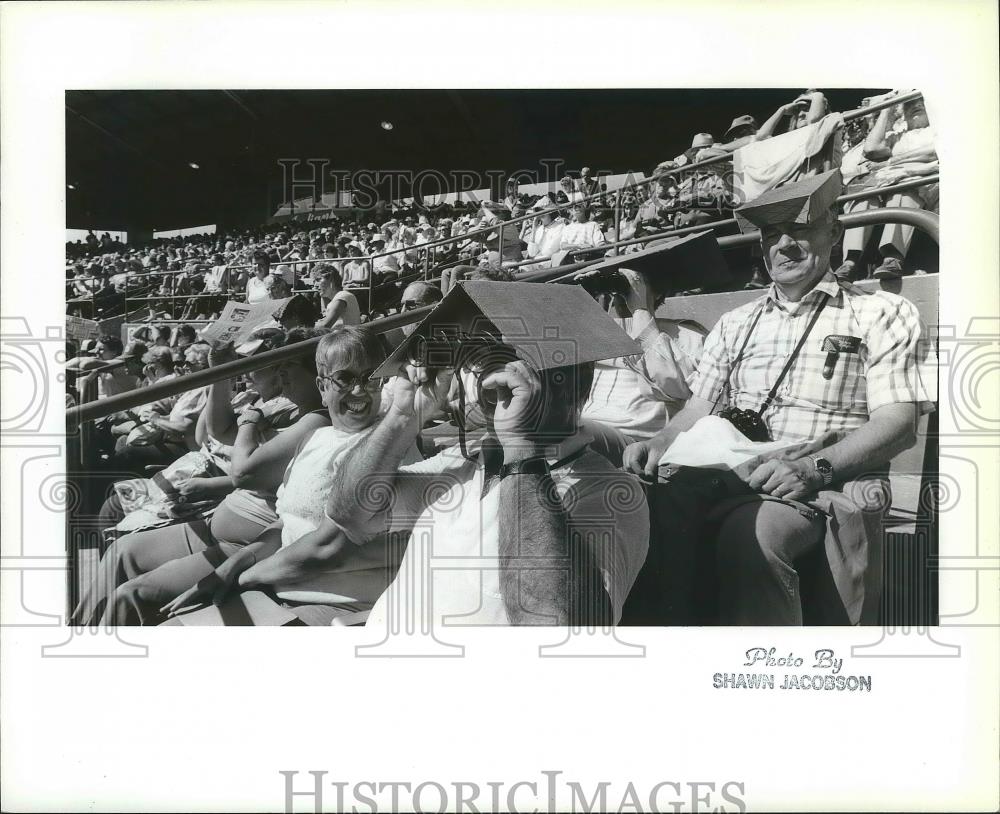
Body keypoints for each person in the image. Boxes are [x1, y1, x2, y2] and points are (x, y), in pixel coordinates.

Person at [623, 170, 936, 625]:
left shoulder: (882, 311)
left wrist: (813, 468)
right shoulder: (736, 321)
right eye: (772, 233)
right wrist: (658, 442)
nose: (784, 244)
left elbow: (898, 425)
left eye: (800, 228)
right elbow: (696, 409)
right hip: (737, 468)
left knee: (748, 534)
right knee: (642, 504)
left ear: (834, 232)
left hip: (827, 478)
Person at [324, 282, 650, 628]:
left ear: (559, 377)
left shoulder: (608, 493)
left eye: (502, 355)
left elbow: (561, 630)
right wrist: (404, 415)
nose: (480, 373)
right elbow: (350, 514)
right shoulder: (466, 463)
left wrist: (521, 446)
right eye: (475, 356)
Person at [159, 327, 414, 626]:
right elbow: (286, 523)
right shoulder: (314, 439)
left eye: (370, 378)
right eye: (345, 378)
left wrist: (239, 575)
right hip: (283, 589)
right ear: (322, 385)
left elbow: (328, 550)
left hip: (340, 607)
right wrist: (233, 566)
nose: (359, 390)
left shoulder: (389, 449)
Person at [74, 328, 329, 626]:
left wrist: (248, 420)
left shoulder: (315, 419)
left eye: (288, 366)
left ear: (317, 375)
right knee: (121, 551)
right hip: (216, 526)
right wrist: (220, 372)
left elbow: (244, 473)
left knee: (131, 594)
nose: (282, 374)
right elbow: (218, 431)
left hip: (245, 543)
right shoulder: (280, 406)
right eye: (279, 366)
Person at [858, 95, 938, 279]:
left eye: (922, 101)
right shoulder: (896, 137)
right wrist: (887, 109)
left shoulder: (936, 129)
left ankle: (893, 256)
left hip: (925, 183)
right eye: (910, 102)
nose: (917, 105)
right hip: (893, 185)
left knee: (902, 188)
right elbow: (871, 149)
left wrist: (890, 162)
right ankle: (851, 261)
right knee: (865, 194)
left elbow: (933, 152)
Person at [755, 90, 828, 141]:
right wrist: (782, 109)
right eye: (797, 111)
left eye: (807, 109)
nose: (800, 114)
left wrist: (818, 95)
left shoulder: (830, 127)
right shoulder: (789, 139)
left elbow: (814, 121)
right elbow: (761, 137)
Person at [313, 264, 361, 329]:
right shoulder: (338, 298)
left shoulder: (342, 296)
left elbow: (325, 326)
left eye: (318, 280)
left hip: (347, 338)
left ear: (331, 279)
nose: (315, 285)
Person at [524, 196, 565, 268]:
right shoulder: (539, 229)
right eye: (538, 215)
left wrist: (537, 255)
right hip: (538, 262)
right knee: (524, 264)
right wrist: (534, 228)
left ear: (551, 214)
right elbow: (531, 253)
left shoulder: (560, 227)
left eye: (542, 214)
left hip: (551, 263)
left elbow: (549, 252)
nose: (539, 217)